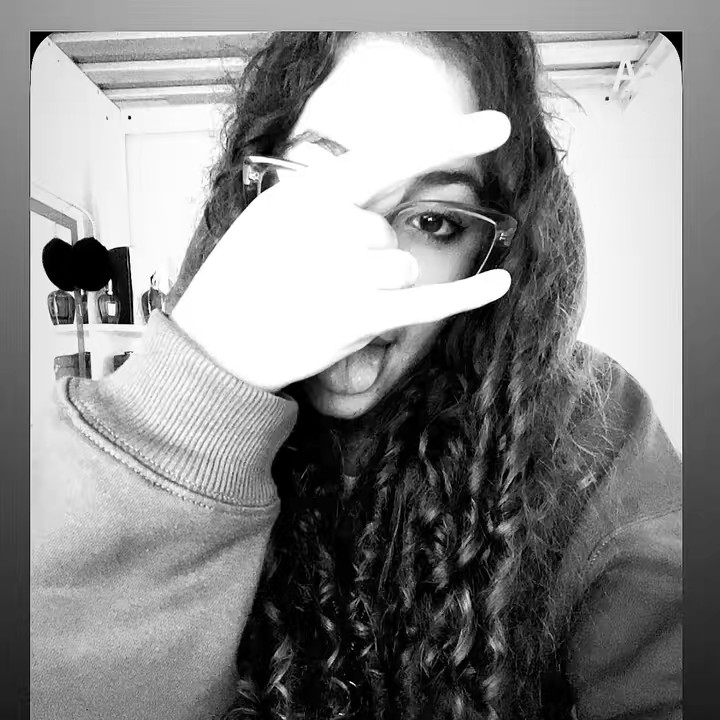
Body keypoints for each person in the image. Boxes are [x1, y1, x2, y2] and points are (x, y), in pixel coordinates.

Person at [30, 31, 681, 720]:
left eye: (434, 221)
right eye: (316, 190)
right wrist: (195, 394)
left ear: (489, 253)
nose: (367, 262)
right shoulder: (119, 427)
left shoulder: (592, 430)